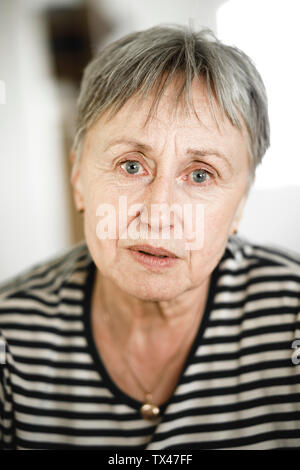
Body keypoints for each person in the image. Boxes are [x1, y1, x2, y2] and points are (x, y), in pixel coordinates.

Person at [0, 24, 299, 451]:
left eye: (201, 174)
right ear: (79, 176)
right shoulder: (8, 340)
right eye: (131, 166)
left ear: (239, 205)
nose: (159, 215)